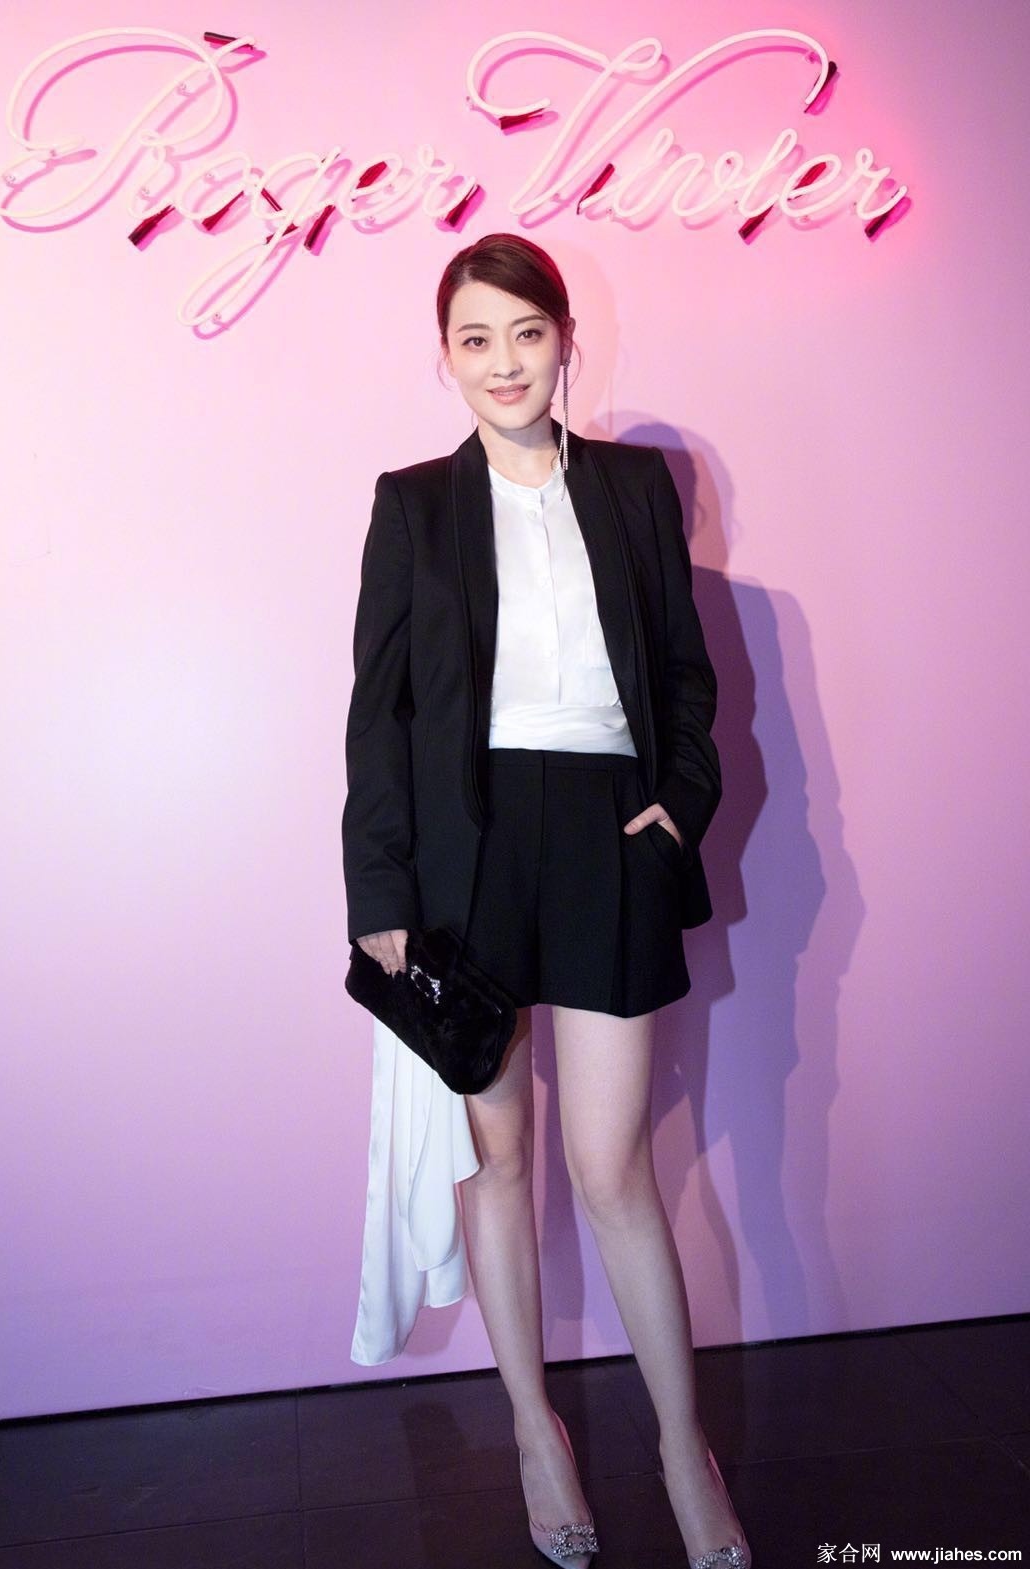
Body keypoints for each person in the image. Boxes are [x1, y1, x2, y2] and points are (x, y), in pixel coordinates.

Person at [341, 232, 750, 1569]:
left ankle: (683, 1450)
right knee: (499, 1160)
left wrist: (674, 805)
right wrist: (379, 891)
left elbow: (685, 677)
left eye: (526, 332)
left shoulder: (635, 488)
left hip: (605, 838)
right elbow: (379, 717)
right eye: (476, 339)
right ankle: (535, 1432)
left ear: (567, 340)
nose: (504, 362)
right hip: (464, 858)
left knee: (610, 1163)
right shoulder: (413, 506)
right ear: (445, 358)